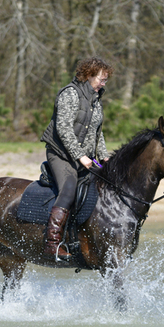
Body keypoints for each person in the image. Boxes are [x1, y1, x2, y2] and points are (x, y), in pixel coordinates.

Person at [40, 57, 113, 260]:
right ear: (89, 75)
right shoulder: (69, 94)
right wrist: (80, 156)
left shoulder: (95, 100)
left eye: (106, 80)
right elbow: (63, 128)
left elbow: (98, 133)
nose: (103, 84)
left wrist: (104, 157)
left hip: (86, 157)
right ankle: (52, 243)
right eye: (101, 79)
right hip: (60, 154)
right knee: (69, 189)